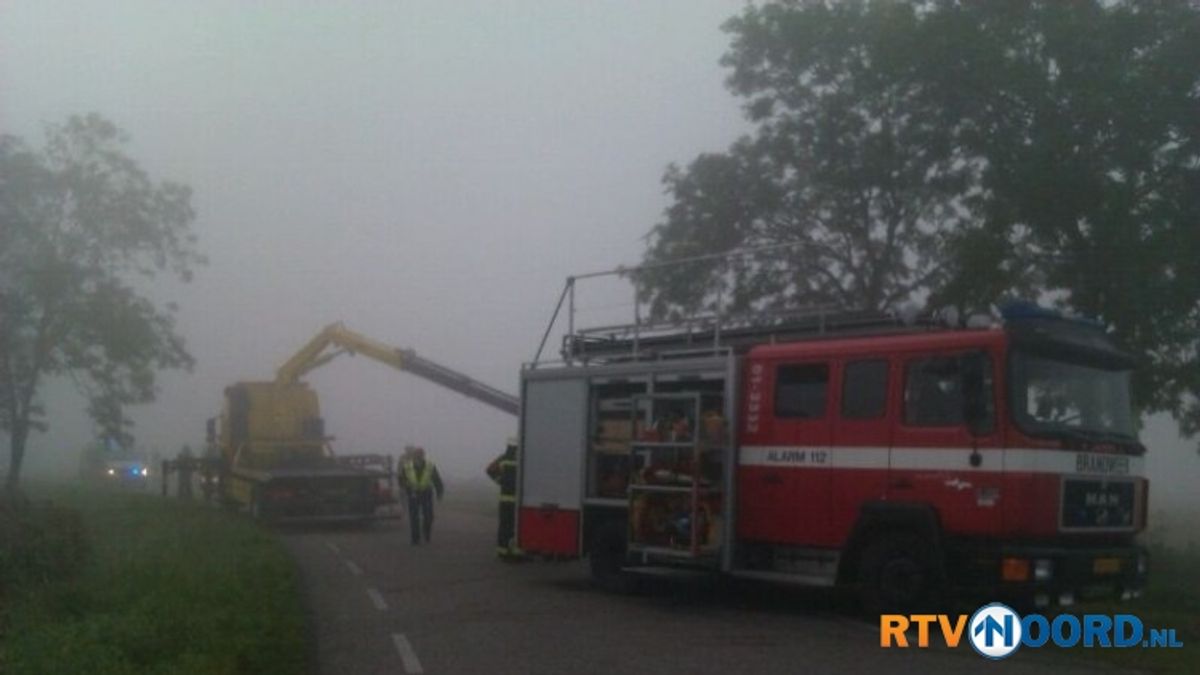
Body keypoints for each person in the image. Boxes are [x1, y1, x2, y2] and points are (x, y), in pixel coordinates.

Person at [400, 446, 443, 545]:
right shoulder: (407, 466)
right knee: (414, 517)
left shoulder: (430, 466)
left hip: (426, 493)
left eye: (420, 455)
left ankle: (426, 533)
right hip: (413, 494)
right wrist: (406, 488)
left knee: (429, 516)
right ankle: (415, 539)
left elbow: (436, 479)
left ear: (423, 455)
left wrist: (439, 492)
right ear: (414, 456)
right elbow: (401, 479)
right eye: (417, 455)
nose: (419, 457)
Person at [486, 437, 521, 559]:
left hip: (505, 500)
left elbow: (489, 469)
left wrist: (500, 481)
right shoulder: (521, 459)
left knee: (504, 526)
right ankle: (516, 551)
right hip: (518, 501)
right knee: (516, 526)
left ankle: (502, 551)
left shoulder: (503, 459)